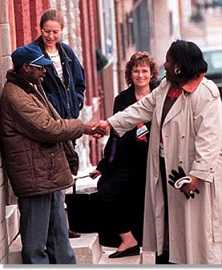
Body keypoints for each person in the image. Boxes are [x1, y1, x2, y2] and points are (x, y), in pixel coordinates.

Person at [95, 40, 222, 264]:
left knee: (195, 237)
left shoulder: (206, 93)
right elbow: (141, 108)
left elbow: (210, 139)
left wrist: (196, 176)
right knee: (169, 230)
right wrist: (110, 124)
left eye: (169, 61)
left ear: (179, 67)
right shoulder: (165, 87)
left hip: (192, 178)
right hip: (167, 170)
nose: (164, 65)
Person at [0, 44, 102, 264]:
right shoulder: (15, 95)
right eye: (40, 67)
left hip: (49, 173)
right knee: (36, 243)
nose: (45, 71)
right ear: (26, 67)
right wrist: (82, 127)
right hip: (35, 178)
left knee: (59, 237)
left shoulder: (32, 86)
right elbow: (48, 128)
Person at [89, 52, 159, 258]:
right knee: (106, 190)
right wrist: (103, 165)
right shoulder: (123, 99)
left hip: (154, 158)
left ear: (151, 73)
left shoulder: (160, 95)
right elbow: (115, 133)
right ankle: (128, 239)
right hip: (127, 159)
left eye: (144, 70)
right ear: (130, 74)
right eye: (136, 70)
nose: (140, 75)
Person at [33, 8, 86, 238]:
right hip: (49, 124)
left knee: (69, 168)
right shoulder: (34, 55)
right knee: (54, 173)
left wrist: (76, 105)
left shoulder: (67, 54)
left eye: (55, 32)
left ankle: (66, 224)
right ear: (40, 29)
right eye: (47, 31)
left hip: (68, 122)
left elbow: (79, 83)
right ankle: (58, 226)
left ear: (61, 31)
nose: (51, 36)